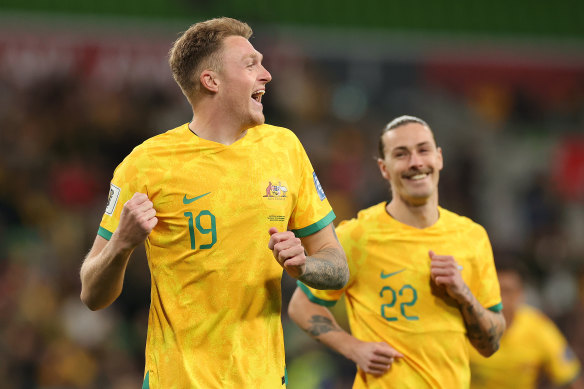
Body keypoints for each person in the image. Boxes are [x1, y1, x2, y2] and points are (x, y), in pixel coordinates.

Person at [79, 17, 349, 389]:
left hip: (264, 380)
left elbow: (337, 266)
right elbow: (92, 294)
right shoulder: (145, 164)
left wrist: (305, 266)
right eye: (251, 64)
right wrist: (122, 246)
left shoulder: (284, 149)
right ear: (212, 81)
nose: (267, 74)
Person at [288, 115, 506, 388]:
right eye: (401, 154)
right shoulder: (358, 235)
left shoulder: (472, 237)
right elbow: (301, 305)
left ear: (439, 158)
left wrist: (464, 295)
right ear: (384, 168)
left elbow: (491, 344)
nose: (416, 162)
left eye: (423, 150)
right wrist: (354, 348)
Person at [469, 261, 583, 389]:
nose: (502, 300)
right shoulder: (467, 325)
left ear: (520, 294)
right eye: (496, 291)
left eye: (508, 291)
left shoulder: (539, 328)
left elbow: (571, 377)